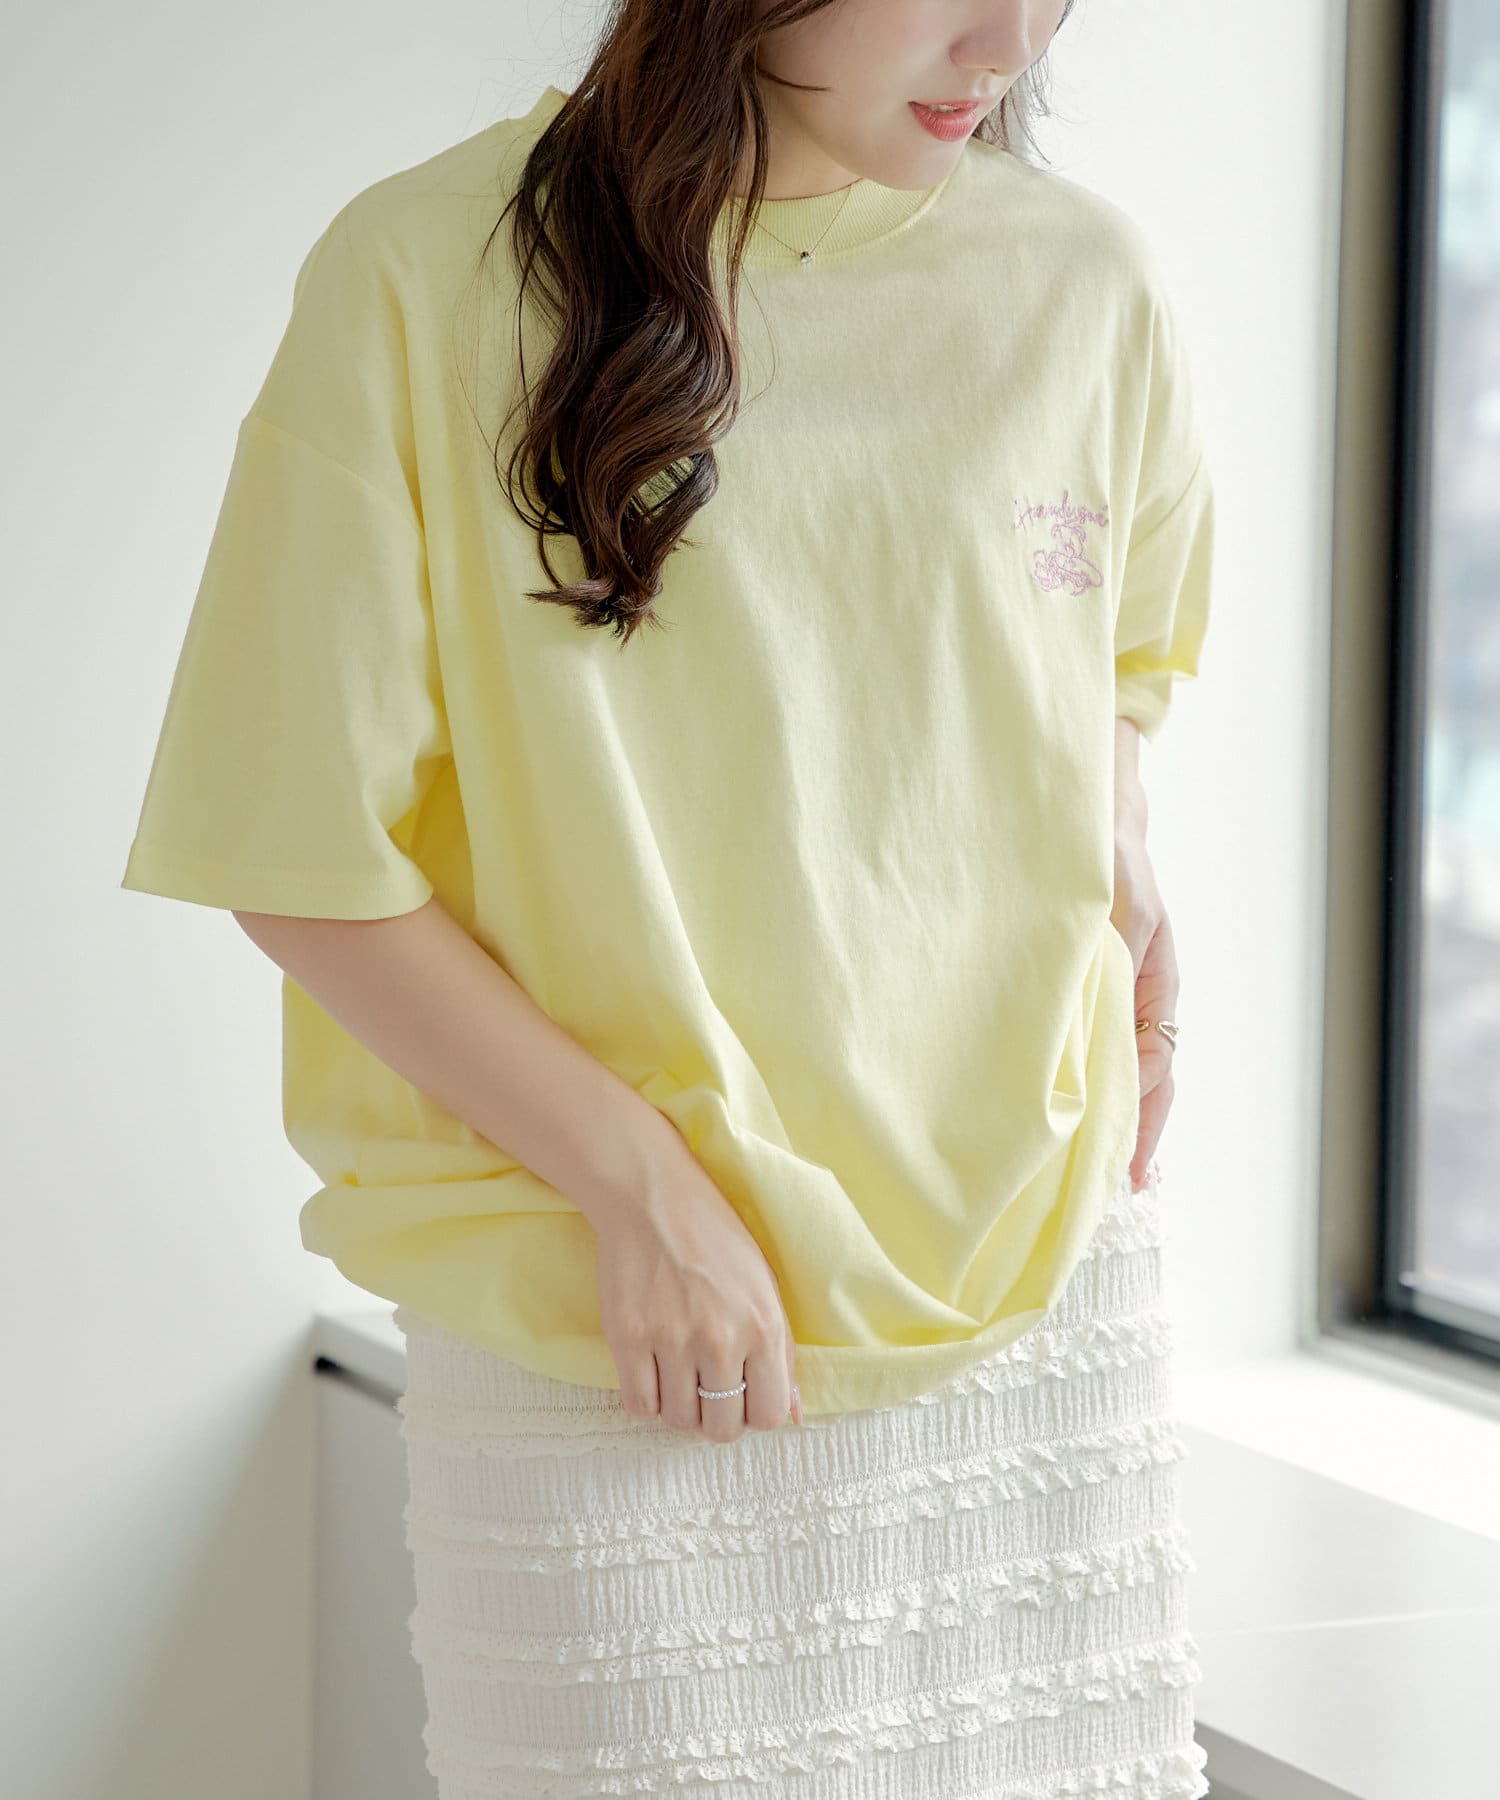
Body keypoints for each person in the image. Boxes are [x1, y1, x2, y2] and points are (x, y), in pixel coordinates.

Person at [120, 2, 1215, 1794]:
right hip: (619, 1305)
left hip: (1041, 1261)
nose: (1008, 42)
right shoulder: (427, 276)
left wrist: (1121, 843)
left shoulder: (1087, 280)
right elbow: (295, 855)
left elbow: (1117, 655)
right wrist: (642, 1186)